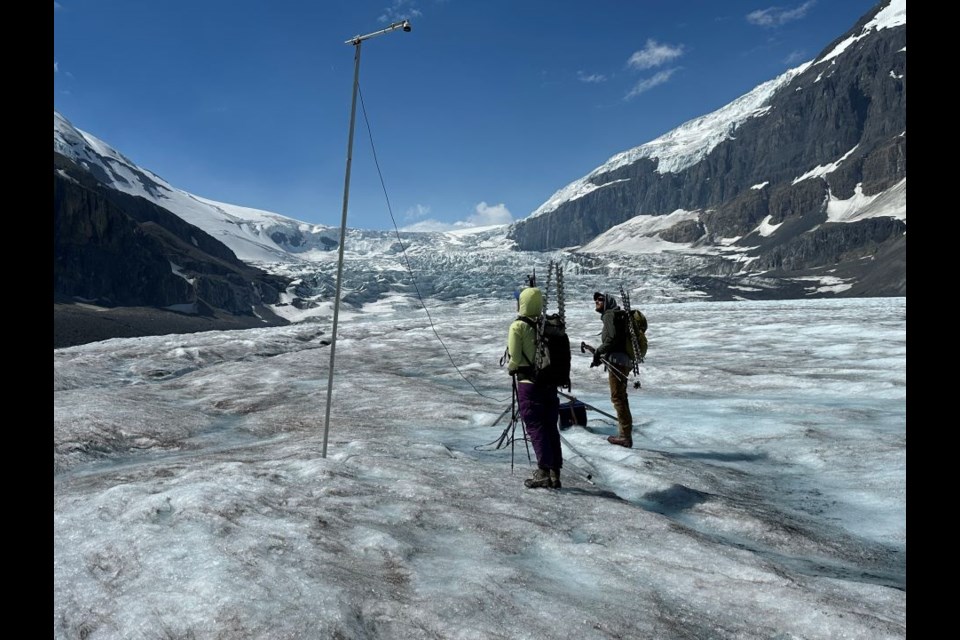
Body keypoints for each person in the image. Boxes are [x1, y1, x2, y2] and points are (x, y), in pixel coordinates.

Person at [506, 286, 562, 489]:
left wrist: (511, 368)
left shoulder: (518, 326)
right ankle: (555, 473)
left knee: (535, 426)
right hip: (549, 383)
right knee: (550, 427)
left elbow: (515, 358)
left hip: (529, 384)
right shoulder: (546, 324)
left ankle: (543, 472)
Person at [590, 291, 634, 448]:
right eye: (595, 300)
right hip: (625, 360)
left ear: (607, 301)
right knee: (622, 396)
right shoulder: (616, 315)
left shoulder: (609, 315)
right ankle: (625, 433)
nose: (596, 301)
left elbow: (611, 339)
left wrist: (598, 351)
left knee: (617, 398)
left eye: (600, 299)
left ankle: (624, 436)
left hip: (617, 361)